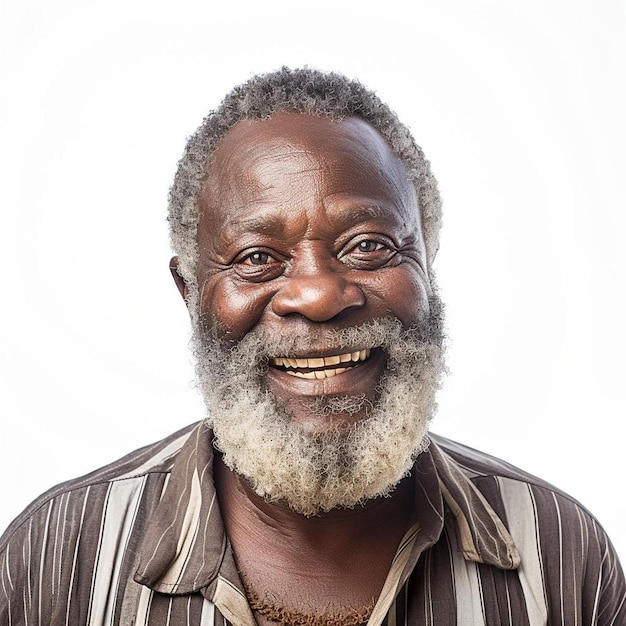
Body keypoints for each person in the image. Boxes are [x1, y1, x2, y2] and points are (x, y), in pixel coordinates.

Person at [1, 68, 624, 626]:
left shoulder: (564, 561)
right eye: (257, 258)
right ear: (191, 293)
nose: (319, 295)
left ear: (428, 267)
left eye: (368, 245)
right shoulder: (53, 561)